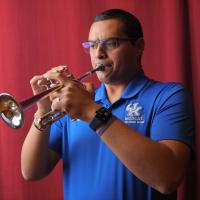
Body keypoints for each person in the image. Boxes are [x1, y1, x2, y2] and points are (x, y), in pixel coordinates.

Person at [21, 9, 195, 200]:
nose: (99, 53)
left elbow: (168, 178)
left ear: (139, 46)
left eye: (111, 43)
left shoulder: (168, 96)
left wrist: (91, 111)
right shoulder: (74, 103)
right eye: (92, 45)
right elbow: (32, 171)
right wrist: (42, 111)